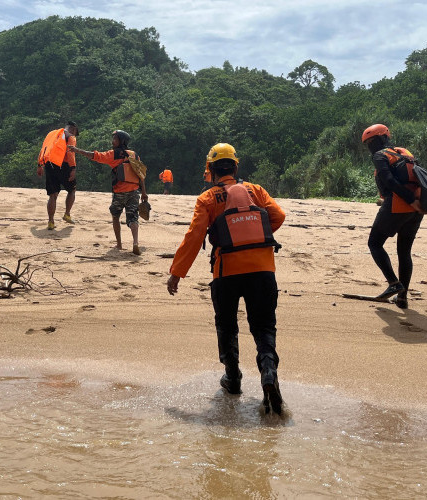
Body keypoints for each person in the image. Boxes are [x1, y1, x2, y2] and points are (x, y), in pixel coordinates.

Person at [166, 143, 286, 414]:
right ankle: (269, 372)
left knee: (227, 326)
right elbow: (278, 217)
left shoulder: (208, 198)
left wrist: (177, 273)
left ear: (210, 170)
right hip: (263, 270)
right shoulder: (256, 191)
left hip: (226, 273)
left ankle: (233, 379)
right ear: (236, 166)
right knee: (264, 327)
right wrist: (254, 232)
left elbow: (194, 237)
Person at [362, 124, 425, 309]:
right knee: (404, 251)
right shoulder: (406, 153)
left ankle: (393, 283)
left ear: (382, 138)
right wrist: (416, 202)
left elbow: (389, 180)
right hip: (417, 209)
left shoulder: (380, 155)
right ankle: (402, 297)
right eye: (367, 143)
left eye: (371, 141)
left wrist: (408, 199)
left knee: (374, 243)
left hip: (399, 204)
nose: (370, 146)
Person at [69, 130, 148, 255]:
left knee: (115, 215)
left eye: (115, 139)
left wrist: (77, 150)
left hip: (119, 192)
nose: (113, 141)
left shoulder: (114, 154)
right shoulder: (134, 155)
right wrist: (144, 192)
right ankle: (135, 242)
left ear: (121, 141)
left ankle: (119, 244)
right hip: (134, 191)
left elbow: (95, 156)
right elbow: (141, 174)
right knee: (133, 217)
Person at [37, 121, 79, 230]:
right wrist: (73, 168)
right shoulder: (70, 137)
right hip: (64, 165)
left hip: (49, 164)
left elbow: (44, 148)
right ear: (73, 129)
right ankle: (67, 214)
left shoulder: (52, 134)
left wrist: (39, 164)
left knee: (53, 195)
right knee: (72, 190)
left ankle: (51, 222)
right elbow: (70, 153)